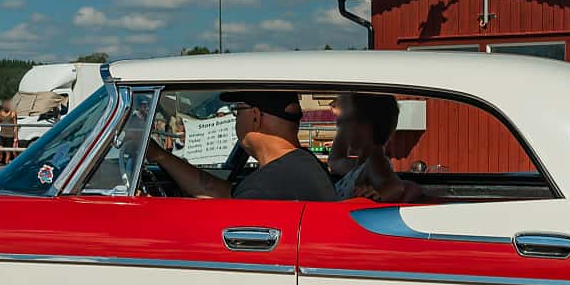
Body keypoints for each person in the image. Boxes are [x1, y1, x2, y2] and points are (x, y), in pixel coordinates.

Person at [145, 91, 334, 201]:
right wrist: (159, 155)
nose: (235, 119)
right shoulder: (296, 167)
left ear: (255, 117)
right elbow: (214, 190)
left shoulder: (265, 188)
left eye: (237, 111)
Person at [328, 92, 424, 203]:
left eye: (347, 121)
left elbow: (396, 186)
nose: (340, 126)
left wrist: (376, 197)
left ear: (365, 127)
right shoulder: (360, 165)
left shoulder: (376, 162)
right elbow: (334, 162)